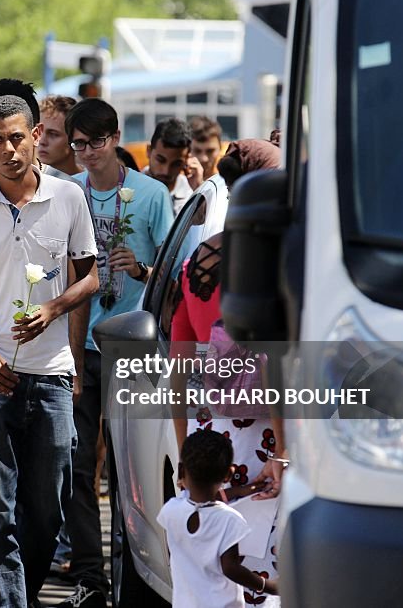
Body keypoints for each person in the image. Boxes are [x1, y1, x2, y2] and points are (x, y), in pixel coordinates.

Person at [0, 78, 99, 608]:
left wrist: (54, 308)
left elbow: (91, 277)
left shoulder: (69, 197)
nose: (8, 150)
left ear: (35, 135)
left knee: (48, 507)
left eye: (16, 137)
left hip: (52, 372)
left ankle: (17, 593)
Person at [59, 98, 174, 608]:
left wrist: (142, 271)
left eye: (94, 143)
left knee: (131, 470)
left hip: (133, 343)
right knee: (79, 463)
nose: (85, 154)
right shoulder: (68, 193)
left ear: (115, 138)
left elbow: (177, 276)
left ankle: (133, 567)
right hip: (79, 342)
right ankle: (89, 575)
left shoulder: (150, 195)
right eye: (78, 144)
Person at [169, 136, 285, 607]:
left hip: (212, 435)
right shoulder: (275, 261)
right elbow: (276, 362)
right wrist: (284, 451)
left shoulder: (198, 259)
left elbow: (179, 366)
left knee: (214, 568)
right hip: (266, 438)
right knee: (263, 558)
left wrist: (185, 454)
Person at [156, 430, 279, 608]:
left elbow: (198, 501)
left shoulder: (171, 510)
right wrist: (268, 585)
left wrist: (237, 492)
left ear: (182, 471)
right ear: (229, 474)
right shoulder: (229, 520)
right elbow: (231, 568)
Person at [146, 117, 199, 217]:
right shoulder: (127, 189)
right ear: (148, 151)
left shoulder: (192, 195)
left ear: (187, 158)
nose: (166, 171)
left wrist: (199, 189)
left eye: (176, 164)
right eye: (161, 160)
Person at [38, 95, 80, 182]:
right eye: (38, 132)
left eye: (53, 134)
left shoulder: (93, 183)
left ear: (74, 139)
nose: (42, 141)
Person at [189, 115, 223, 180]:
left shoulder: (230, 178)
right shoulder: (176, 178)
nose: (204, 159)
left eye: (210, 151)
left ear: (220, 148)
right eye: (197, 151)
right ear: (187, 150)